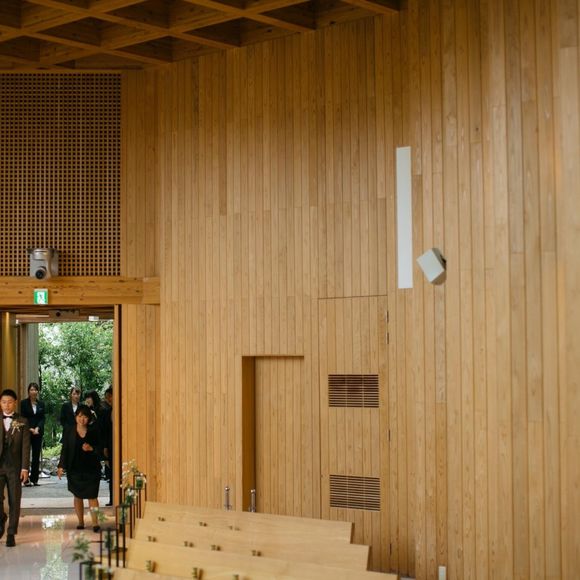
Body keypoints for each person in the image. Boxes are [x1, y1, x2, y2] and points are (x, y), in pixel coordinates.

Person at [57, 405, 102, 532]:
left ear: (89, 418)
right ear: (76, 417)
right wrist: (61, 466)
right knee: (78, 496)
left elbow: (101, 449)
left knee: (92, 496)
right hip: (74, 469)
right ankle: (80, 522)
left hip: (92, 469)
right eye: (80, 416)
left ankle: (95, 523)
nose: (82, 419)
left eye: (85, 417)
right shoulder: (69, 431)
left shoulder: (94, 430)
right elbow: (65, 449)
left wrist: (91, 448)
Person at [0, 388, 31, 547]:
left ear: (15, 403)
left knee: (14, 500)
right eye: (4, 402)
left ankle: (11, 532)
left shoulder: (22, 421)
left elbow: (26, 447)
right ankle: (1, 519)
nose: (7, 405)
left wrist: (25, 468)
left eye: (10, 402)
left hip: (15, 467)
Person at [20, 382, 46, 487]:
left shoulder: (41, 404)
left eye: (35, 390)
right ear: (28, 391)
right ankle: (25, 479)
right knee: (26, 455)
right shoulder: (23, 403)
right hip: (27, 432)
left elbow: (42, 418)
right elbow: (22, 417)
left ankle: (34, 479)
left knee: (36, 456)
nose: (33, 391)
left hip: (37, 432)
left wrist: (37, 428)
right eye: (31, 389)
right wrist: (29, 428)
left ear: (38, 391)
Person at [100, 387, 113, 505]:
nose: (108, 399)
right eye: (106, 397)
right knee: (111, 474)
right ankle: (112, 499)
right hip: (109, 445)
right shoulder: (107, 412)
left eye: (110, 396)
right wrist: (104, 447)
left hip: (118, 444)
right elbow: (104, 432)